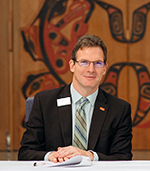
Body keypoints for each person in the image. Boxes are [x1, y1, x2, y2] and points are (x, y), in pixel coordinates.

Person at [18, 34, 132, 162]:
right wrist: (51, 156)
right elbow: (26, 152)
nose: (91, 69)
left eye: (98, 63)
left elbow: (123, 158)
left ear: (105, 68)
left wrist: (90, 156)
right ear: (72, 65)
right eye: (84, 62)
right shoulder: (44, 102)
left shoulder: (119, 109)